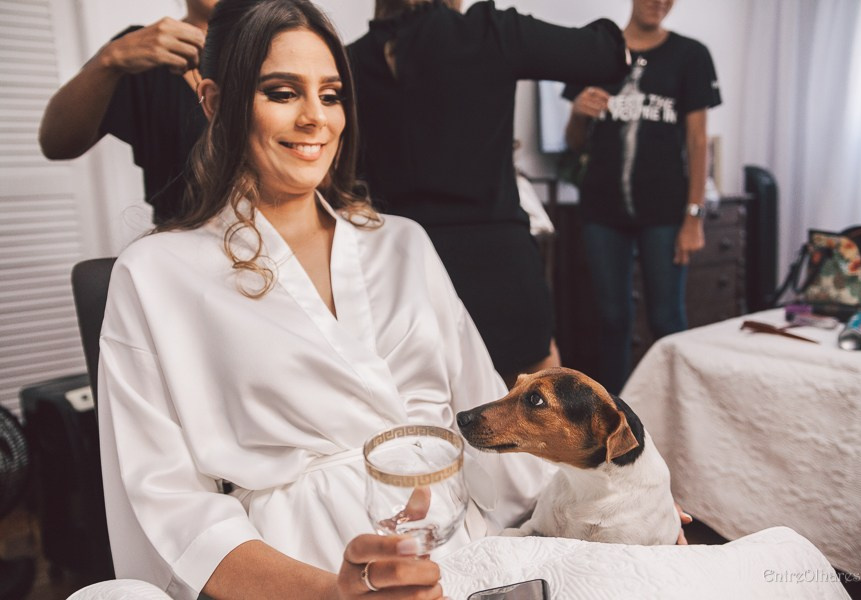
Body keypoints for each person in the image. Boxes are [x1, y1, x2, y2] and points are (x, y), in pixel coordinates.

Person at [96, 1, 552, 598]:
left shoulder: (403, 244)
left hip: (459, 555)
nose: (316, 118)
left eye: (331, 94)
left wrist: (598, 505)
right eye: (283, 92)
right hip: (299, 568)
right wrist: (332, 592)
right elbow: (167, 506)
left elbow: (491, 421)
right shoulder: (155, 274)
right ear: (213, 102)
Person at [346, 0, 630, 386]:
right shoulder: (490, 33)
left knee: (426, 415)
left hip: (401, 273)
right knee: (534, 422)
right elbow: (609, 57)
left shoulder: (350, 59)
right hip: (499, 271)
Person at [563, 0, 721, 394]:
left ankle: (680, 408)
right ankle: (613, 416)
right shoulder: (597, 50)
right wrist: (579, 113)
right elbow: (574, 143)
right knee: (612, 320)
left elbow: (698, 141)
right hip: (602, 212)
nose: (658, 2)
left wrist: (693, 217)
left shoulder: (691, 55)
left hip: (665, 214)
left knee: (667, 318)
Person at [38, 1, 218, 224]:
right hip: (183, 244)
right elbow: (57, 144)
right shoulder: (144, 52)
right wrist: (108, 61)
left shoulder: (271, 47)